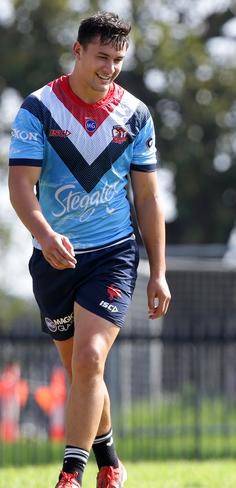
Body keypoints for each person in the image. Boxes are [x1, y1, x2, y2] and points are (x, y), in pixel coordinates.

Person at [8, 12, 171, 488]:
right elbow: (20, 185)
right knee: (78, 369)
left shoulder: (136, 115)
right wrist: (43, 234)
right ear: (77, 51)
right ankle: (111, 461)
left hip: (113, 255)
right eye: (102, 56)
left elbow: (148, 198)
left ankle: (71, 475)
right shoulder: (37, 110)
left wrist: (159, 271)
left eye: (118, 59)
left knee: (90, 360)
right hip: (54, 257)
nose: (110, 68)